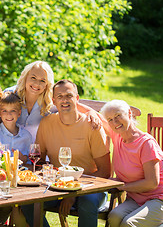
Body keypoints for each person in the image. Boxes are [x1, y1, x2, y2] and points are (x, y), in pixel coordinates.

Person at [21, 79, 111, 227]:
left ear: (77, 99)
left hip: (91, 187)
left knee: (87, 204)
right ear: (54, 101)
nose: (64, 100)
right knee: (27, 202)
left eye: (69, 96)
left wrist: (73, 191)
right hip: (58, 185)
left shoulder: (92, 126)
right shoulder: (47, 123)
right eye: (60, 96)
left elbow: (105, 171)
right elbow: (40, 161)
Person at [100, 100, 163, 227]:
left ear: (129, 113)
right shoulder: (117, 135)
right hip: (137, 199)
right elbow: (95, 116)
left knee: (129, 223)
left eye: (118, 116)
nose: (115, 122)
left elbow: (152, 183)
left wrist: (121, 186)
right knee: (114, 217)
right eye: (110, 119)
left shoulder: (146, 143)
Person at [5, 61, 101, 143]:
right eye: (33, 78)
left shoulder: (51, 101)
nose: (36, 84)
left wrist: (92, 112)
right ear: (25, 77)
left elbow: (75, 105)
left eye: (42, 81)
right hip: (11, 151)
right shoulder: (10, 94)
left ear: (47, 84)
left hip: (37, 156)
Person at [0, 91, 32, 164]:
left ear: (19, 113)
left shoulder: (26, 136)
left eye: (13, 110)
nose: (9, 114)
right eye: (4, 111)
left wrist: (24, 159)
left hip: (21, 173)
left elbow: (30, 162)